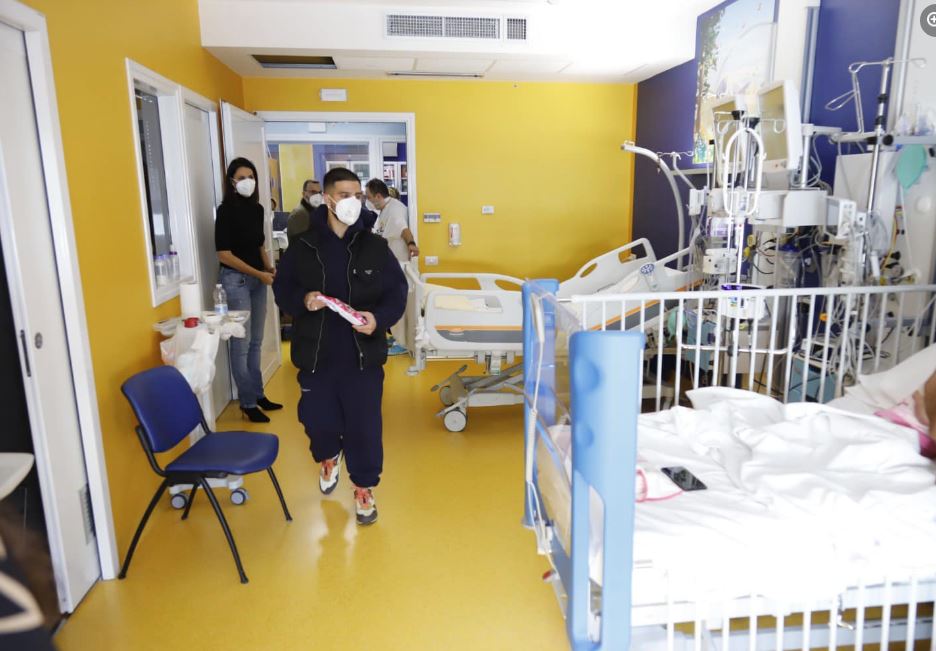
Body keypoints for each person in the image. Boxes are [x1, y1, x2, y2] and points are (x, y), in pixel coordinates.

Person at [273, 167, 407, 525]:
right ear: (328, 199)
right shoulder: (303, 246)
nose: (353, 202)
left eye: (358, 196)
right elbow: (282, 289)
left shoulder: (375, 247)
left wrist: (378, 319)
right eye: (345, 195)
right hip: (316, 354)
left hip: (362, 357)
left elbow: (397, 293)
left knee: (364, 427)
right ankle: (329, 455)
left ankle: (364, 487)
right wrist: (304, 299)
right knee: (317, 421)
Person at [215, 157, 283, 423]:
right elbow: (224, 254)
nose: (247, 182)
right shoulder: (225, 211)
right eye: (242, 178)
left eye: (251, 177)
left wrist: (268, 267)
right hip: (236, 281)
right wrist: (258, 274)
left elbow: (259, 245)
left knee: (256, 341)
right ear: (232, 182)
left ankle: (258, 393)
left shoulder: (257, 209)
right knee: (241, 344)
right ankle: (247, 402)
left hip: (257, 280)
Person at [365, 179, 418, 355]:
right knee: (390, 301)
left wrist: (411, 244)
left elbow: (403, 229)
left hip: (399, 265)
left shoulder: (394, 210)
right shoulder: (386, 209)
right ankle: (395, 336)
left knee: (398, 302)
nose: (367, 200)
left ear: (378, 196)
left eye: (369, 197)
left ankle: (402, 342)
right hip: (390, 264)